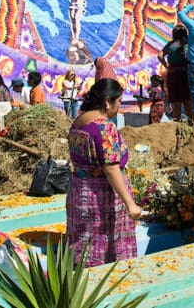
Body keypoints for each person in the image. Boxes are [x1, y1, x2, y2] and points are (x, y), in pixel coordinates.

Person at [66, 78, 142, 267]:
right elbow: (110, 167)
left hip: (79, 191)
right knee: (102, 249)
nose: (119, 106)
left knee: (82, 243)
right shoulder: (103, 127)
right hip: (101, 200)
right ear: (108, 101)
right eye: (118, 102)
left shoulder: (79, 121)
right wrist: (130, 204)